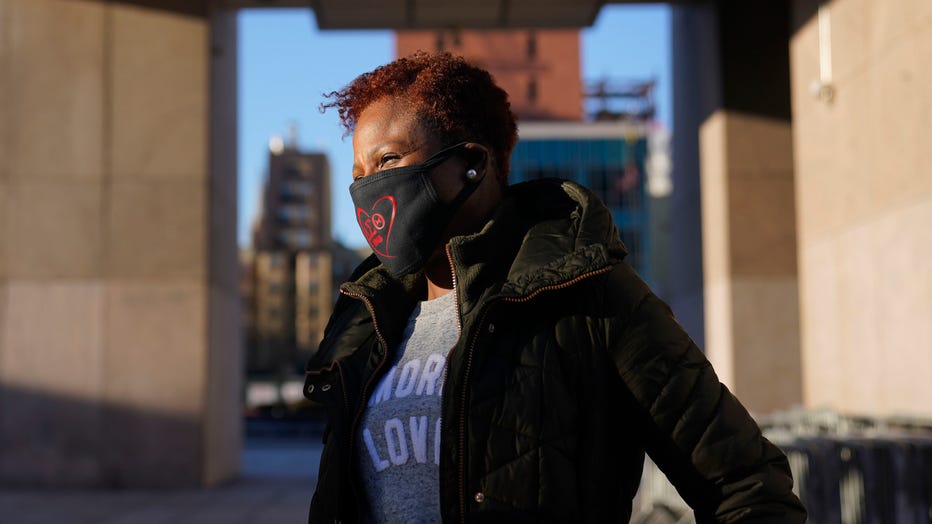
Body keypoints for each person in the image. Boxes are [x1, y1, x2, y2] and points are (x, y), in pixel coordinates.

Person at [303, 51, 806, 523]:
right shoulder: (364, 319)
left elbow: (746, 487)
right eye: (359, 173)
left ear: (471, 163)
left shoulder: (589, 294)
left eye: (388, 161)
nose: (369, 188)